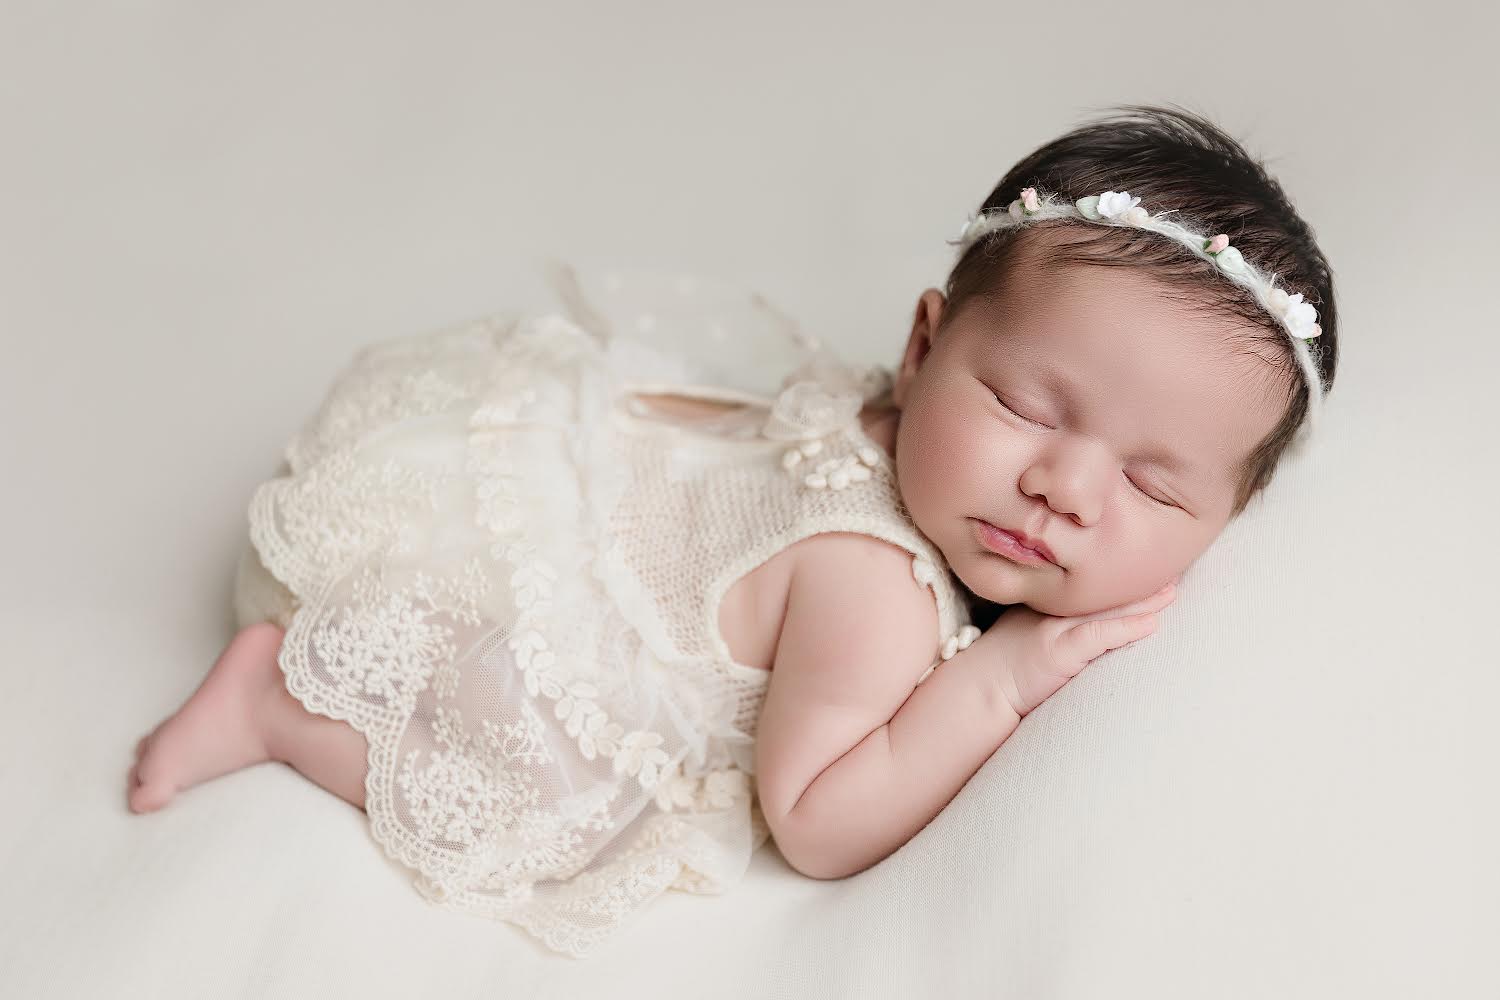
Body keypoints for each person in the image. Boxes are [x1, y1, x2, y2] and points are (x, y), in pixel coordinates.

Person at [125, 103, 1339, 959]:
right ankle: (284, 706)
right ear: (922, 349)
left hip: (595, 488)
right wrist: (1005, 679)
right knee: (546, 795)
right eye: (1025, 404)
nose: (1064, 487)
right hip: (526, 609)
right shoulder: (873, 586)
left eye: (1155, 485)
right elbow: (814, 818)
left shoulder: (897, 426)